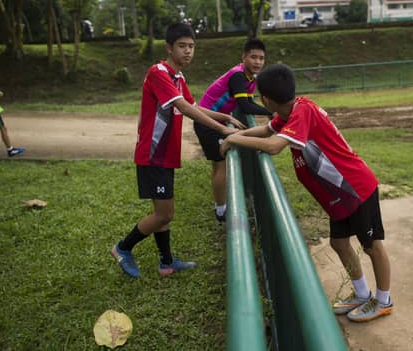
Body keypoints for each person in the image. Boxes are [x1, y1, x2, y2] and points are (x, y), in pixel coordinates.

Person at [220, 64, 393, 322]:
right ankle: (360, 293)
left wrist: (234, 140)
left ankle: (383, 300)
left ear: (266, 99)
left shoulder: (302, 112)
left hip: (355, 187)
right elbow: (268, 131)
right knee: (339, 243)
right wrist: (235, 133)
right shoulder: (290, 111)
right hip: (337, 192)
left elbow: (273, 145)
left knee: (371, 245)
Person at [111, 23, 244, 278]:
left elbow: (194, 105)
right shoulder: (158, 72)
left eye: (192, 46)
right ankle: (122, 248)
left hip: (166, 154)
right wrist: (222, 129)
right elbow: (183, 107)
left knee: (164, 213)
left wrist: (224, 116)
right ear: (169, 48)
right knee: (164, 213)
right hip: (153, 154)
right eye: (182, 46)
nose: (188, 51)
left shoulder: (178, 77)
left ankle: (166, 262)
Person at [195, 38, 272, 222]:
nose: (258, 62)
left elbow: (248, 102)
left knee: (219, 165)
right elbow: (245, 106)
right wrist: (272, 111)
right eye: (253, 57)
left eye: (261, 58)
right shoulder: (238, 76)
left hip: (215, 120)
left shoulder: (249, 77)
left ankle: (220, 206)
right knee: (220, 165)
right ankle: (221, 211)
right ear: (243, 57)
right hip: (207, 122)